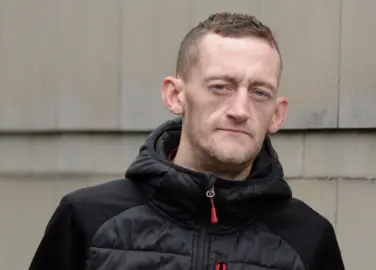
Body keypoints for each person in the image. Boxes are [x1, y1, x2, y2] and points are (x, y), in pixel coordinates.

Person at [29, 12, 345, 270]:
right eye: (221, 87)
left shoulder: (308, 238)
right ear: (175, 95)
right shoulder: (88, 219)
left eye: (259, 92)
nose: (240, 110)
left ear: (278, 114)